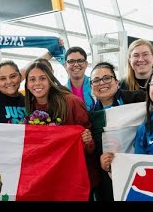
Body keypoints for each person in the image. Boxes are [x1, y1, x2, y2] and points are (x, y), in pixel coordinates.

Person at [24, 61, 98, 200]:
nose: (37, 83)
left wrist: (87, 140)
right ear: (27, 85)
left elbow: (90, 143)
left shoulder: (71, 102)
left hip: (74, 177)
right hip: (48, 176)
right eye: (32, 80)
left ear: (51, 79)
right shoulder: (29, 106)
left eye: (42, 78)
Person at [89, 61, 146, 201]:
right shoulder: (92, 116)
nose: (102, 83)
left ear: (117, 82)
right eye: (96, 80)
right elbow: (94, 151)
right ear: (91, 87)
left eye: (107, 78)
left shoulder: (137, 100)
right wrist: (100, 160)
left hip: (141, 169)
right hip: (111, 178)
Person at [63, 46, 94, 111]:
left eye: (80, 61)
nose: (76, 65)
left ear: (86, 64)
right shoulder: (62, 92)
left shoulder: (96, 86)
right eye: (71, 61)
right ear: (65, 65)